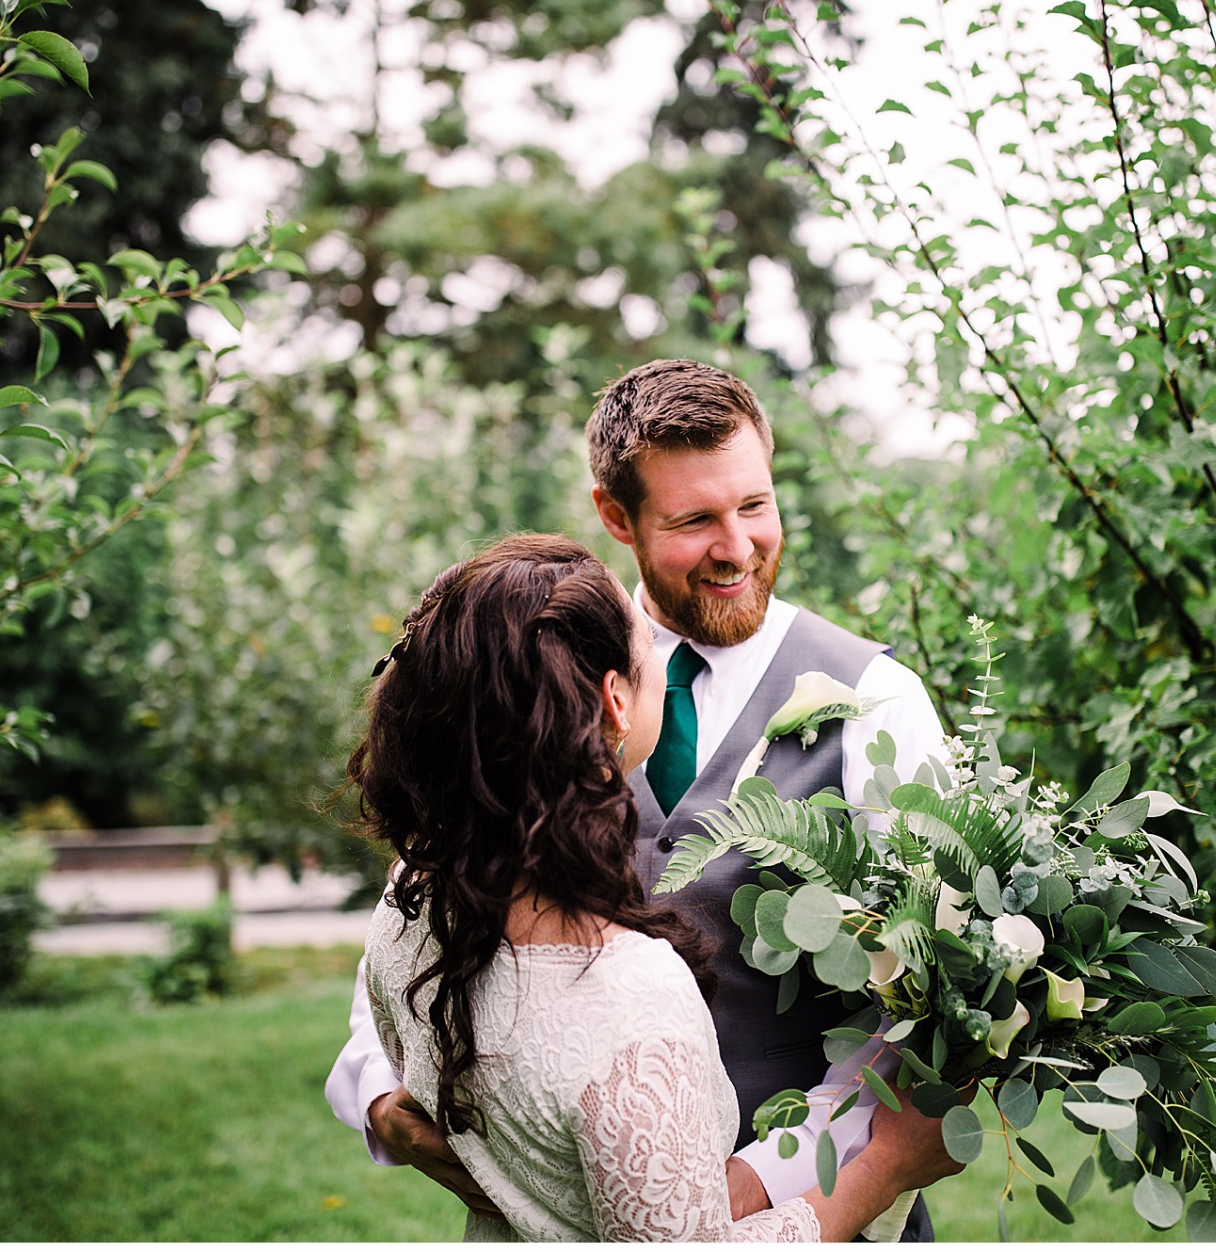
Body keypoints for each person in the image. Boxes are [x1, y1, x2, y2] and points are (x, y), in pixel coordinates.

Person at [327, 360, 949, 1236]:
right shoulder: (528, 667)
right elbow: (419, 906)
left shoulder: (880, 701)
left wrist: (747, 1180)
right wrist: (380, 1095)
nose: (737, 546)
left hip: (814, 1207)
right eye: (695, 519)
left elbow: (927, 1003)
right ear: (615, 515)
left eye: (756, 505)